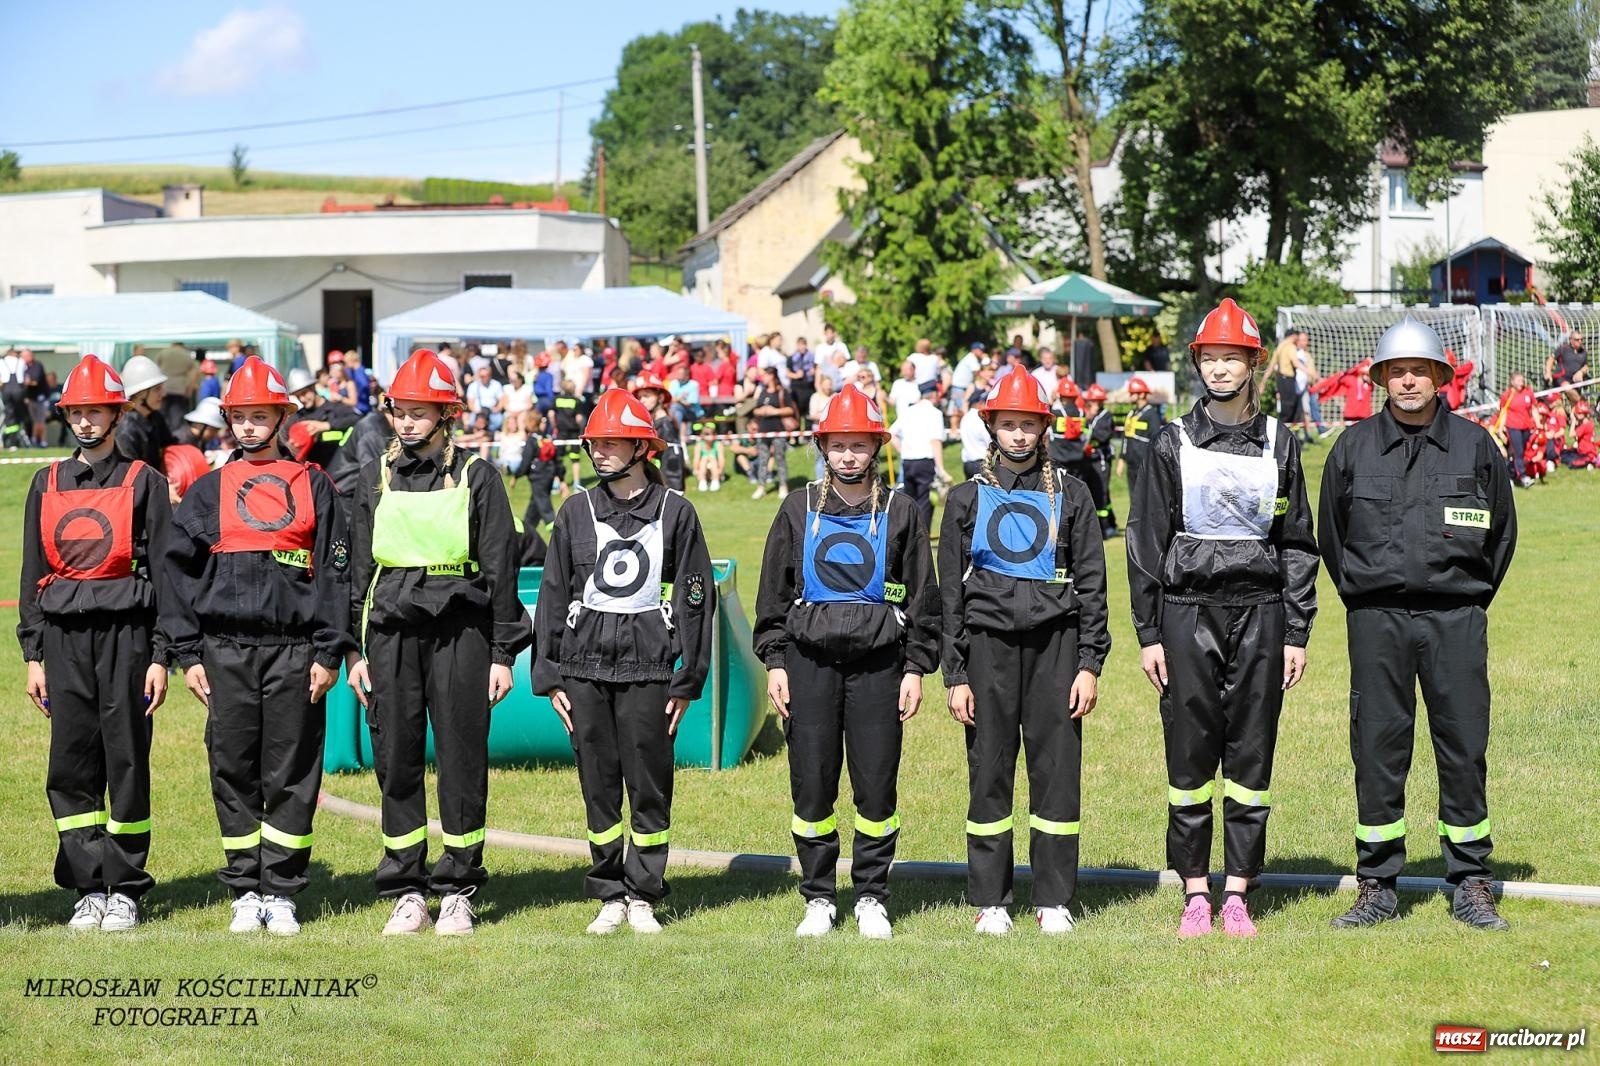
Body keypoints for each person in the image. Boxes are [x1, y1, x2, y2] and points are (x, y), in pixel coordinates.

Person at [1125, 298, 1319, 938]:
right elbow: (1146, 542)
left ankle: (1237, 890)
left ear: (1252, 365)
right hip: (1186, 614)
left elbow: (1295, 541)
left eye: (1231, 357)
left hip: (1261, 613)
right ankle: (1194, 891)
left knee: (1250, 751)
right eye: (1209, 358)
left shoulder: (1280, 443)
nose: (1219, 369)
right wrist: (1149, 635)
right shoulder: (1169, 443)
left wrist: (1296, 630)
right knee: (1189, 749)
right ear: (1197, 366)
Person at [1318, 316, 1518, 932]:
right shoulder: (1351, 449)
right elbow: (1331, 536)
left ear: (1439, 377)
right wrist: (1361, 596)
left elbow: (1501, 535)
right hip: (1376, 621)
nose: (1407, 381)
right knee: (1378, 750)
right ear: (1380, 379)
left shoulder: (1475, 445)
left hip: (1456, 619)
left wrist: (1469, 598)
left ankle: (1471, 880)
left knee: (1463, 747)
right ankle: (1377, 884)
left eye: (1419, 371)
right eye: (1395, 372)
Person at [345, 348, 529, 937]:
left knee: (460, 757)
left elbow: (501, 568)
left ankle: (457, 888)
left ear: (447, 414)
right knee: (395, 758)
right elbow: (353, 576)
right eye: (401, 411)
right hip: (391, 635)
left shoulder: (478, 476)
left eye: (421, 412)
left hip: (461, 634)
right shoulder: (374, 475)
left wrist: (503, 654)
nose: (408, 423)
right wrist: (352, 651)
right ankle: (406, 889)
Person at [164, 357, 351, 936]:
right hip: (224, 651)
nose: (247, 427)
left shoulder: (314, 485)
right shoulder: (207, 493)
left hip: (296, 652)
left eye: (258, 416)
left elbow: (336, 573)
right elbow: (177, 574)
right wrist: (188, 654)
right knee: (233, 767)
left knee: (292, 769)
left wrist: (328, 652)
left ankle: (284, 891)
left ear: (281, 417)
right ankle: (246, 888)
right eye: (238, 417)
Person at [753, 384, 939, 939]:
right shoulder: (797, 507)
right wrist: (776, 662)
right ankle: (817, 897)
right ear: (824, 447)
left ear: (877, 448)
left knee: (876, 785)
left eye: (860, 445)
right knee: (812, 783)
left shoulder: (902, 510)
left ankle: (872, 896)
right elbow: (773, 595)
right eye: (839, 445)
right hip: (808, 664)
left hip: (881, 667)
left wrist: (914, 668)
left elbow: (923, 597)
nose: (849, 456)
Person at [530, 388, 716, 934]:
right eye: (596, 442)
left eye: (614, 441)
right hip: (584, 670)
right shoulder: (575, 511)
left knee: (649, 781)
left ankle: (644, 892)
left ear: (642, 448)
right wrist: (549, 673)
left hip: (651, 670)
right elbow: (552, 594)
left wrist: (688, 676)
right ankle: (610, 890)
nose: (601, 451)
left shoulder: (677, 512)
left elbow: (696, 594)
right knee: (599, 780)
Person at [940, 368, 1109, 935]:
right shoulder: (964, 497)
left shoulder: (1073, 493)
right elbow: (948, 596)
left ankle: (1054, 898)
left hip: (1056, 647)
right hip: (986, 648)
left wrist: (1089, 664)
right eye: (1008, 424)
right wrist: (955, 673)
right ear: (991, 426)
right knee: (989, 769)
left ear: (1043, 427)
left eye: (1028, 424)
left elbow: (1092, 581)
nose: (1018, 434)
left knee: (1056, 770)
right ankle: (991, 899)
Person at [19, 355, 172, 932]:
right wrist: (33, 655)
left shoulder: (144, 483)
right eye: (77, 411)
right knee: (71, 760)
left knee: (127, 757)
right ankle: (88, 886)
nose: (85, 421)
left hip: (128, 639)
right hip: (62, 641)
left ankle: (126, 887)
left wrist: (161, 655)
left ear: (116, 413)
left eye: (96, 411)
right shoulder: (46, 481)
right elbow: (32, 573)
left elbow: (167, 577)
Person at [115, 356, 178, 500]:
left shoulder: (155, 418)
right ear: (140, 394)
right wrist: (162, 489)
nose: (163, 394)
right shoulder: (126, 431)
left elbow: (171, 447)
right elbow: (130, 480)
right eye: (157, 389)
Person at [889, 380, 949, 527]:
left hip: (908, 461)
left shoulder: (908, 411)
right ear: (934, 394)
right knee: (925, 505)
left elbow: (891, 434)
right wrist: (941, 469)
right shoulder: (935, 413)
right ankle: (922, 541)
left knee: (910, 503)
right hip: (925, 462)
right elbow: (935, 441)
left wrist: (903, 451)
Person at [286, 368, 361, 471]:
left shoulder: (335, 409)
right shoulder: (297, 418)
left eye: (304, 393)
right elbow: (284, 443)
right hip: (313, 474)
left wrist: (326, 425)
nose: (302, 399)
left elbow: (357, 419)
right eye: (298, 396)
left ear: (313, 387)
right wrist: (290, 447)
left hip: (340, 471)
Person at [1078, 384, 1118, 538]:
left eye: (1095, 401)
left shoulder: (1106, 416)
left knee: (1101, 492)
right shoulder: (1086, 416)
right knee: (1093, 493)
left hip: (1101, 459)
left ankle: (1104, 528)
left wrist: (1089, 426)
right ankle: (1110, 523)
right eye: (1090, 402)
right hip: (1088, 459)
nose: (1092, 405)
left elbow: (1101, 436)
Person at [634, 376, 686, 492]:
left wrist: (673, 494)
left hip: (663, 491)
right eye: (640, 397)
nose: (642, 400)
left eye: (647, 396)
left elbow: (673, 463)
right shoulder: (654, 425)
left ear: (661, 397)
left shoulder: (666, 426)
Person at [750, 367, 793, 499]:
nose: (764, 378)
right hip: (763, 430)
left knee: (780, 458)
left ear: (772, 376)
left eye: (766, 375)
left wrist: (774, 411)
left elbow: (790, 409)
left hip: (778, 429)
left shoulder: (782, 392)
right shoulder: (762, 392)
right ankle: (761, 486)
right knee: (763, 458)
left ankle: (783, 485)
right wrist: (762, 411)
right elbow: (755, 410)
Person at [1118, 376, 1163, 499]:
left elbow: (1156, 440)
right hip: (1132, 462)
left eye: (1133, 393)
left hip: (1144, 462)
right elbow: (1126, 437)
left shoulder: (1151, 415)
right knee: (1134, 496)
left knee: (1145, 496)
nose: (1130, 396)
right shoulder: (1132, 414)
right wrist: (1122, 459)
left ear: (1142, 394)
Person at [1494, 372, 1536, 487]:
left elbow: (1533, 409)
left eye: (1522, 380)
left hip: (1526, 427)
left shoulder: (1528, 392)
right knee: (1518, 451)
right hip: (1513, 427)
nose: (1521, 383)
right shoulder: (1507, 395)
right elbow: (1504, 412)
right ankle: (1523, 476)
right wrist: (1501, 428)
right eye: (1518, 380)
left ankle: (1510, 474)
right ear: (1512, 382)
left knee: (1518, 452)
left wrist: (1537, 423)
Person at [551, 380, 586, 494]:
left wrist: (554, 426)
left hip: (560, 432)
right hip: (573, 433)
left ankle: (557, 483)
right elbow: (579, 418)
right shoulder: (576, 401)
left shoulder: (557, 399)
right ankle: (577, 484)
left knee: (558, 458)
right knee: (575, 459)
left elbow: (551, 414)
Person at [466, 363, 506, 433]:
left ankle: (490, 434)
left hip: (492, 412)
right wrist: (477, 411)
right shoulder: (473, 386)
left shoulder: (496, 385)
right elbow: (470, 403)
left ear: (490, 375)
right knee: (471, 421)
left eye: (486, 376)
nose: (484, 378)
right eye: (482, 376)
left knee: (499, 420)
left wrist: (497, 409)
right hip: (478, 412)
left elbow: (502, 400)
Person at [692, 420, 725, 492]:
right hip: (703, 468)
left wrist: (720, 471)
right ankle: (702, 481)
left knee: (712, 458)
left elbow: (721, 459)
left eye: (712, 433)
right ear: (702, 435)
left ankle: (715, 480)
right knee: (704, 459)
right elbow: (696, 459)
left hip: (715, 467)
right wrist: (696, 470)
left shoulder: (718, 444)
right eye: (707, 434)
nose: (710, 436)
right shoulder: (699, 445)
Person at [1564, 400, 1597, 467]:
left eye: (1579, 413)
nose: (1577, 414)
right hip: (1583, 451)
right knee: (1565, 453)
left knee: (1569, 460)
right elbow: (1577, 438)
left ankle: (1589, 462)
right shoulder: (1588, 423)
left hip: (1587, 453)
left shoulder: (1585, 425)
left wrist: (1573, 421)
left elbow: (1571, 434)